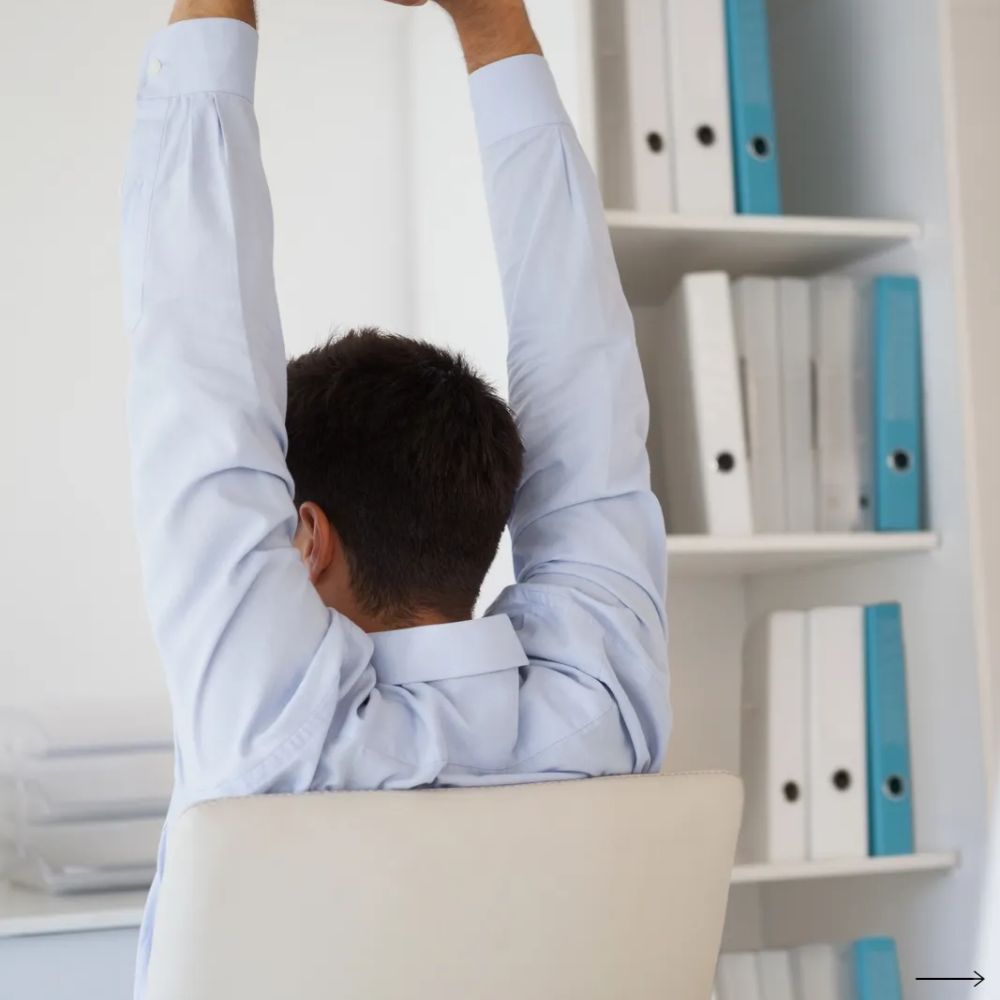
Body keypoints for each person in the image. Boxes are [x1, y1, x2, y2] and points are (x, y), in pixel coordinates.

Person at [122, 0, 670, 994]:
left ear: (309, 537)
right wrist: (492, 22)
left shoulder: (273, 739)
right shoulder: (599, 719)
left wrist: (493, 28)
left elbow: (200, 353)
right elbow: (197, 364)